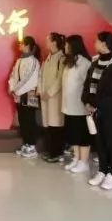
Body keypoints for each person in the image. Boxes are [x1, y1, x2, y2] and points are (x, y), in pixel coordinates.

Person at [83, 31, 112, 190]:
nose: (94, 43)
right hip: (95, 109)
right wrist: (87, 101)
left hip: (110, 110)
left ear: (104, 43)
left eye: (96, 41)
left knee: (111, 141)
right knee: (100, 141)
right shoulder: (96, 61)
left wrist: (96, 104)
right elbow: (88, 83)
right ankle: (102, 170)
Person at [61, 34, 93, 175]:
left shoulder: (84, 63)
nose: (65, 47)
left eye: (67, 44)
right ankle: (77, 158)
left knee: (82, 135)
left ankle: (83, 162)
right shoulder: (69, 62)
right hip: (69, 106)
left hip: (80, 106)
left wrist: (88, 102)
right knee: (73, 134)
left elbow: (88, 85)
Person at [8, 36, 42, 159]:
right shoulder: (19, 60)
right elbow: (13, 75)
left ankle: (32, 146)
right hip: (19, 94)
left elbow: (30, 79)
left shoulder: (34, 61)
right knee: (23, 120)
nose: (20, 45)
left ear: (27, 45)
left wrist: (16, 90)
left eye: (22, 43)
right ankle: (27, 143)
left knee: (30, 119)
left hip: (29, 94)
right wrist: (11, 87)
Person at [39, 32, 66, 163]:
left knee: (56, 126)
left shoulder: (62, 58)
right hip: (46, 97)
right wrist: (41, 91)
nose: (46, 42)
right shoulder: (48, 58)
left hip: (55, 98)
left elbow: (60, 79)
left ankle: (57, 152)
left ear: (54, 42)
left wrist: (49, 93)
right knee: (50, 126)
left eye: (48, 40)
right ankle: (51, 151)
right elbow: (41, 76)